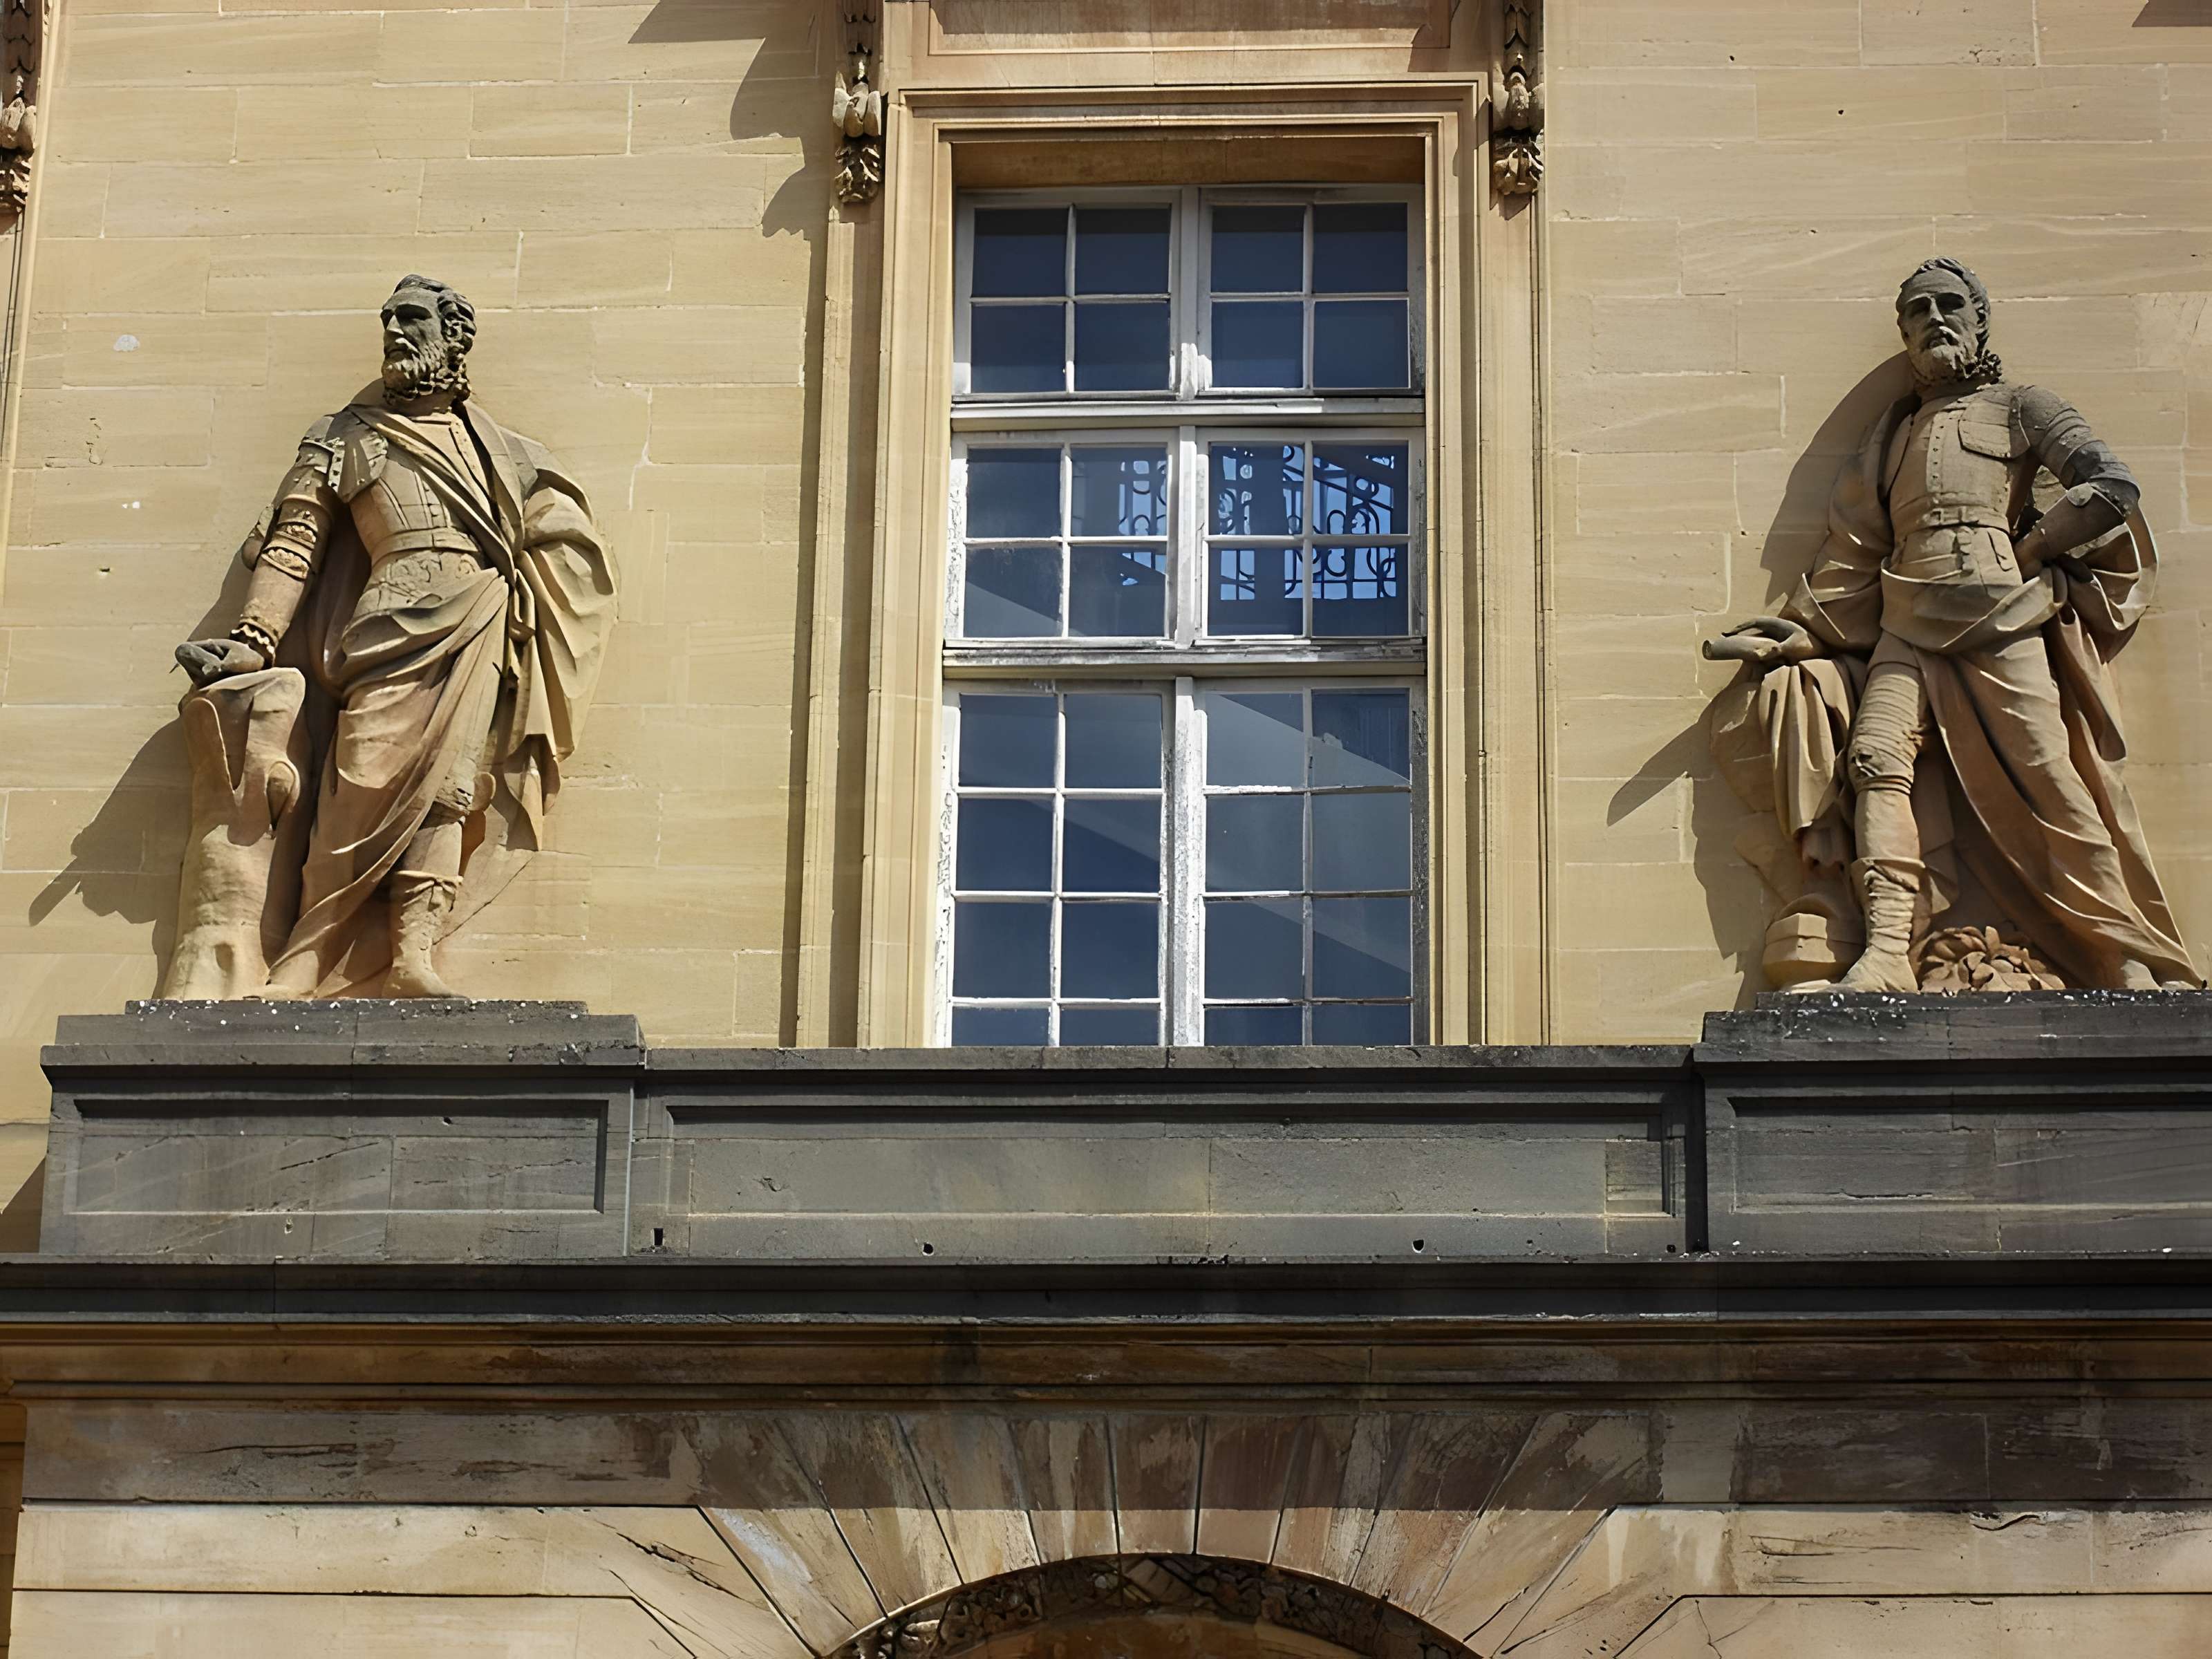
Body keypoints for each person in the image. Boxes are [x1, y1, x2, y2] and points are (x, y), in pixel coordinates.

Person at [1705, 258, 2197, 993]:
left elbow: (2110, 486)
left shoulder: (2023, 406)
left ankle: (2118, 951)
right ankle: (1885, 953)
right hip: (1905, 618)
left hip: (2001, 616)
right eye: (1918, 310)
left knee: (2048, 779)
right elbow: (1858, 548)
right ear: (1904, 333)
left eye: (1948, 305)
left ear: (1978, 320)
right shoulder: (1894, 434)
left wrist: (2029, 550)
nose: (1934, 319)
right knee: (1874, 760)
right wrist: (1808, 633)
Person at [176, 275, 616, 997]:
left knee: (448, 790)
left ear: (454, 336)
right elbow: (295, 543)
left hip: (475, 618)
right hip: (388, 621)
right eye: (387, 319)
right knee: (356, 784)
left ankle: (413, 956)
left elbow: (553, 531)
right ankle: (307, 955)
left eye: (411, 318)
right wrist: (254, 637)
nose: (394, 331)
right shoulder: (341, 435)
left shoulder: (499, 450)